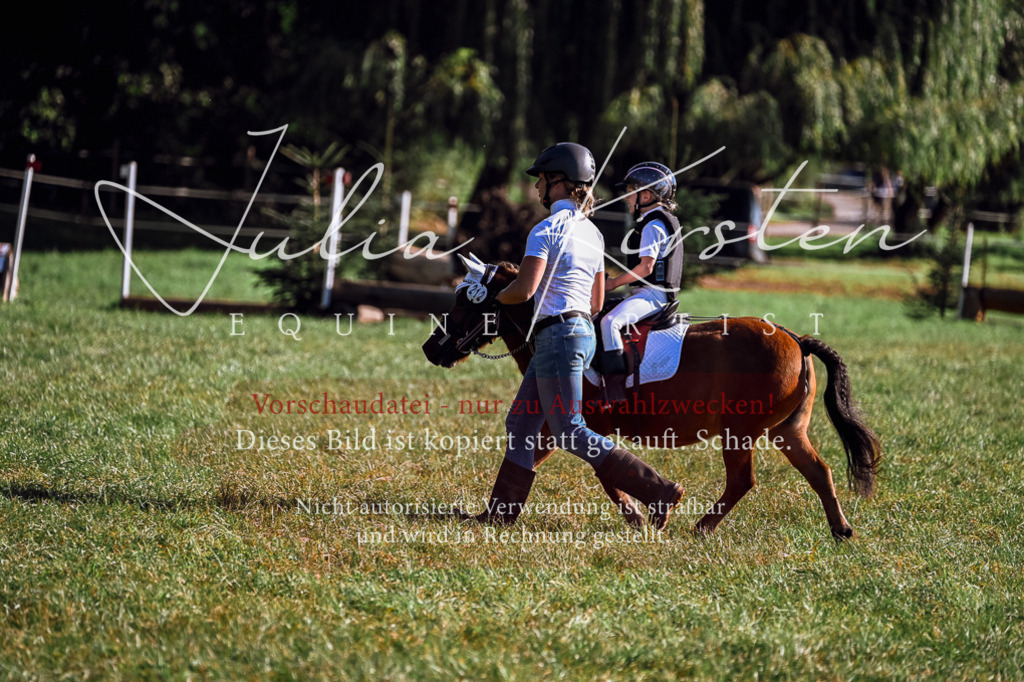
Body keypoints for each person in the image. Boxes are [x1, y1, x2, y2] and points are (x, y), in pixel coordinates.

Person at [475, 143, 684, 529]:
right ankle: (499, 515)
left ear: (558, 182)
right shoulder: (592, 233)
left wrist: (493, 295)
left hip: (558, 336)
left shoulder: (545, 229)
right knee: (520, 424)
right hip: (579, 332)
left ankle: (658, 490)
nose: (537, 187)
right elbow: (597, 300)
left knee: (570, 431)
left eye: (540, 179)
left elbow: (523, 290)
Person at [599, 162, 682, 402]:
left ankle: (614, 389)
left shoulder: (653, 225)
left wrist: (613, 283)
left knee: (610, 322)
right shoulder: (655, 220)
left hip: (654, 295)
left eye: (630, 192)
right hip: (649, 293)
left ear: (646, 195)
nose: (626, 198)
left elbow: (646, 267)